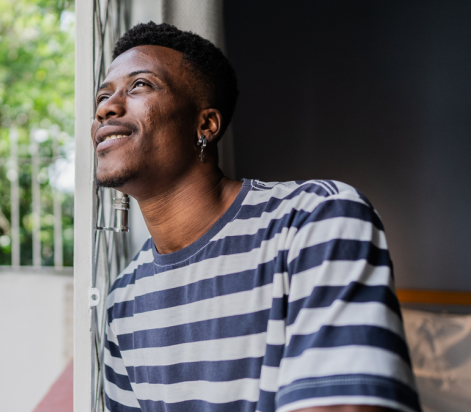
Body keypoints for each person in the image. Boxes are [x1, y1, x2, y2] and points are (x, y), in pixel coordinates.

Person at [94, 22, 420, 412]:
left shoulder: (316, 219)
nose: (106, 108)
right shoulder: (125, 299)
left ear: (206, 125)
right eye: (103, 95)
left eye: (139, 85)